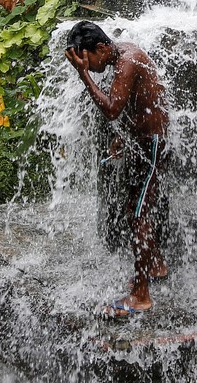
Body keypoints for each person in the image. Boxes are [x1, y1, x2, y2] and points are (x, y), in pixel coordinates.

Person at [65, 20, 170, 319]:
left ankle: (141, 295)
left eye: (89, 60)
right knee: (134, 207)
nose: (91, 66)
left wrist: (85, 75)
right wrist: (119, 138)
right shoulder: (118, 54)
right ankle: (155, 264)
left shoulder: (127, 60)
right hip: (142, 141)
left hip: (153, 144)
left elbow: (112, 108)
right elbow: (135, 102)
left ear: (100, 48)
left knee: (138, 213)